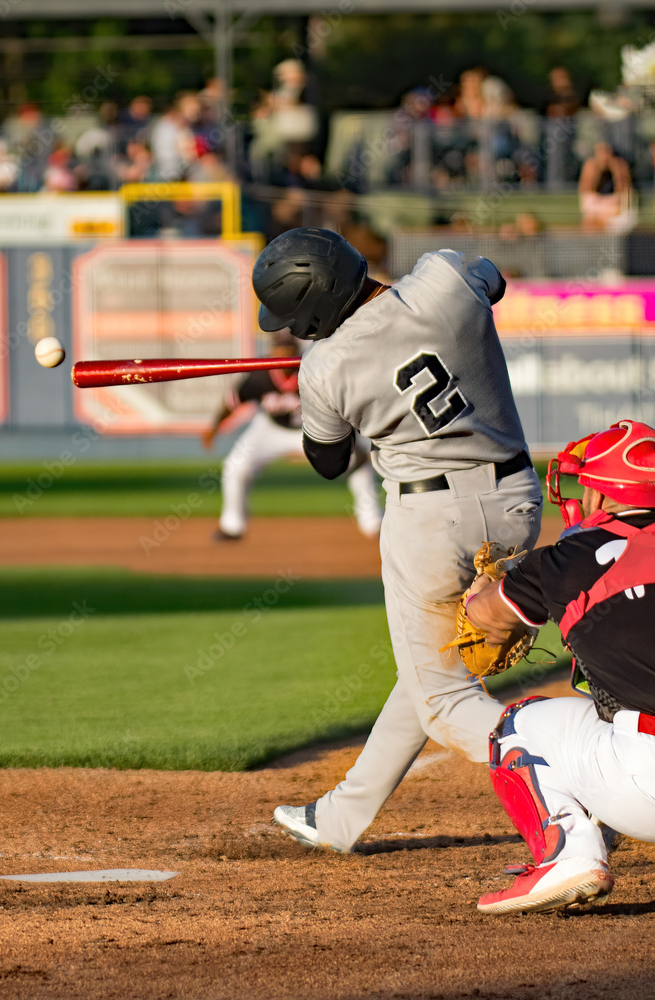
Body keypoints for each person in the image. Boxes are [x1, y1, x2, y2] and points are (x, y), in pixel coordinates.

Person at [252, 227, 543, 853]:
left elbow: (328, 462)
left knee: (441, 698)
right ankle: (341, 817)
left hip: (432, 523)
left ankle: (580, 768)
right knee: (429, 671)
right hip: (516, 502)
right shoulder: (441, 280)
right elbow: (490, 276)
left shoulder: (325, 369)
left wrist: (319, 384)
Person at [464, 419, 655, 914]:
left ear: (599, 494)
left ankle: (568, 857)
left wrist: (482, 590)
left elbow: (483, 619)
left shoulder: (567, 559)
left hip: (644, 786)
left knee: (518, 725)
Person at [203, 332, 383, 542]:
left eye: (288, 349)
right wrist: (214, 428)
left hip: (313, 429)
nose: (283, 353)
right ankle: (232, 526)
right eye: (279, 349)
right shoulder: (261, 375)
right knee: (235, 466)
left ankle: (373, 523)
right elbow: (232, 401)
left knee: (358, 466)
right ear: (272, 352)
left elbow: (342, 404)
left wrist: (354, 439)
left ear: (296, 351)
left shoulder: (314, 371)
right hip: (270, 429)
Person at [579, 142, 634, 232]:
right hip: (599, 208)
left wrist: (617, 170)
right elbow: (587, 198)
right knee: (590, 222)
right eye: (601, 153)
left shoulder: (619, 166)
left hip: (614, 210)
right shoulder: (591, 166)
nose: (604, 157)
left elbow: (624, 196)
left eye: (607, 153)